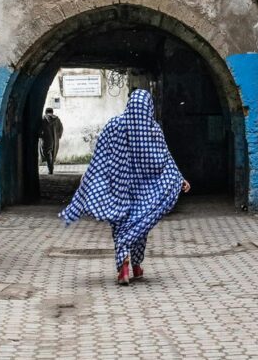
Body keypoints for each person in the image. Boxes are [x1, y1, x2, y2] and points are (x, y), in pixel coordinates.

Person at [59, 89, 191, 285]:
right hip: (145, 190)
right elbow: (164, 159)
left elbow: (101, 155)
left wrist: (90, 176)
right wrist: (179, 178)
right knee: (140, 226)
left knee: (120, 224)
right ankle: (136, 265)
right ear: (149, 107)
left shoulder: (114, 125)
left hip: (119, 187)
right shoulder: (152, 129)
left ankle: (124, 267)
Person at [39, 108, 63, 175]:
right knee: (53, 154)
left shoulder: (43, 119)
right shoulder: (57, 119)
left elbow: (39, 129)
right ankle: (51, 167)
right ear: (52, 112)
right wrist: (58, 135)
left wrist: (40, 136)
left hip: (46, 140)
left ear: (46, 112)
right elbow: (61, 128)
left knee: (47, 154)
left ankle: (50, 169)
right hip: (55, 140)